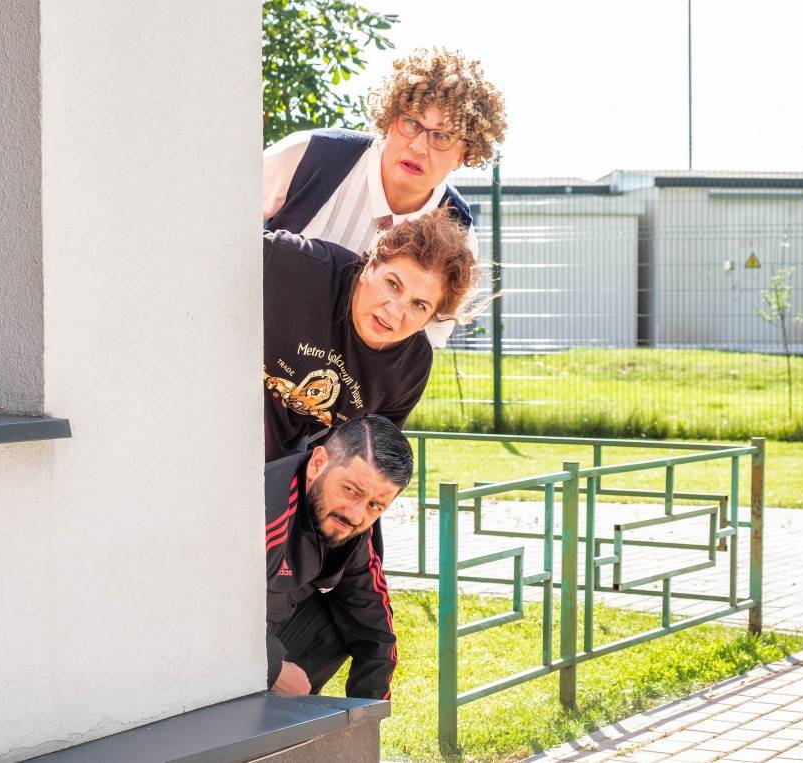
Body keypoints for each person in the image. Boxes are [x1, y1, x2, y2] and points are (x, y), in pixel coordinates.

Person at [263, 47, 507, 348]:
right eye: (411, 123)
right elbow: (221, 220)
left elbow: (422, 345)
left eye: (442, 136)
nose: (419, 147)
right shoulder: (311, 155)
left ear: (464, 155)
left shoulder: (458, 231)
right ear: (390, 119)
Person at [263, 209, 478, 464]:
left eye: (419, 305)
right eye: (393, 284)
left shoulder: (409, 369)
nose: (394, 311)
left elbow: (363, 461)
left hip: (276, 469)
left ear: (429, 320)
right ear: (369, 266)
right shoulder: (294, 263)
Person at [265, 415, 413, 700]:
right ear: (318, 463)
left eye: (375, 505)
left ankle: (289, 715)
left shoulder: (353, 528)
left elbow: (376, 628)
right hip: (212, 651)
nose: (356, 515)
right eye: (350, 490)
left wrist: (368, 716)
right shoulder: (263, 511)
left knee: (351, 621)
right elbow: (203, 613)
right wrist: (271, 670)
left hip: (271, 632)